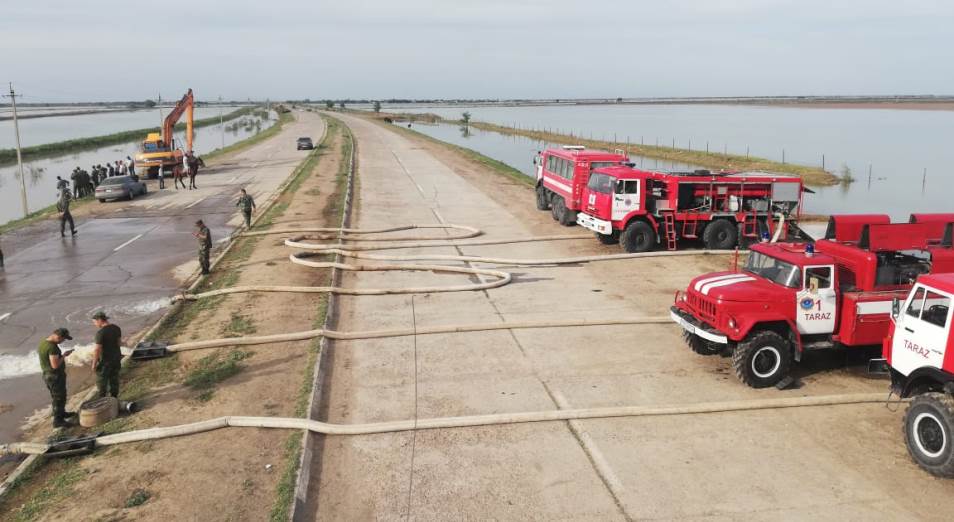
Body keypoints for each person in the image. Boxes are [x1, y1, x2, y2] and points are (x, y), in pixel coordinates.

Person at [38, 327, 76, 428]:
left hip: (48, 375)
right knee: (59, 398)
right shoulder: (52, 348)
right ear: (58, 337)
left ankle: (62, 413)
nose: (63, 341)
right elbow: (55, 365)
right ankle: (58, 421)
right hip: (54, 376)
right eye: (63, 339)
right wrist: (64, 355)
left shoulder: (43, 343)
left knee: (57, 396)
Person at [90, 311, 122, 399]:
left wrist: (94, 364)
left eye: (95, 322)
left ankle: (102, 399)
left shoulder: (100, 333)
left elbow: (97, 350)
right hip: (116, 358)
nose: (95, 324)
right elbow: (119, 343)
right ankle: (114, 398)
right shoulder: (116, 328)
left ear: (100, 320)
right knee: (114, 379)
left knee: (101, 382)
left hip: (105, 361)